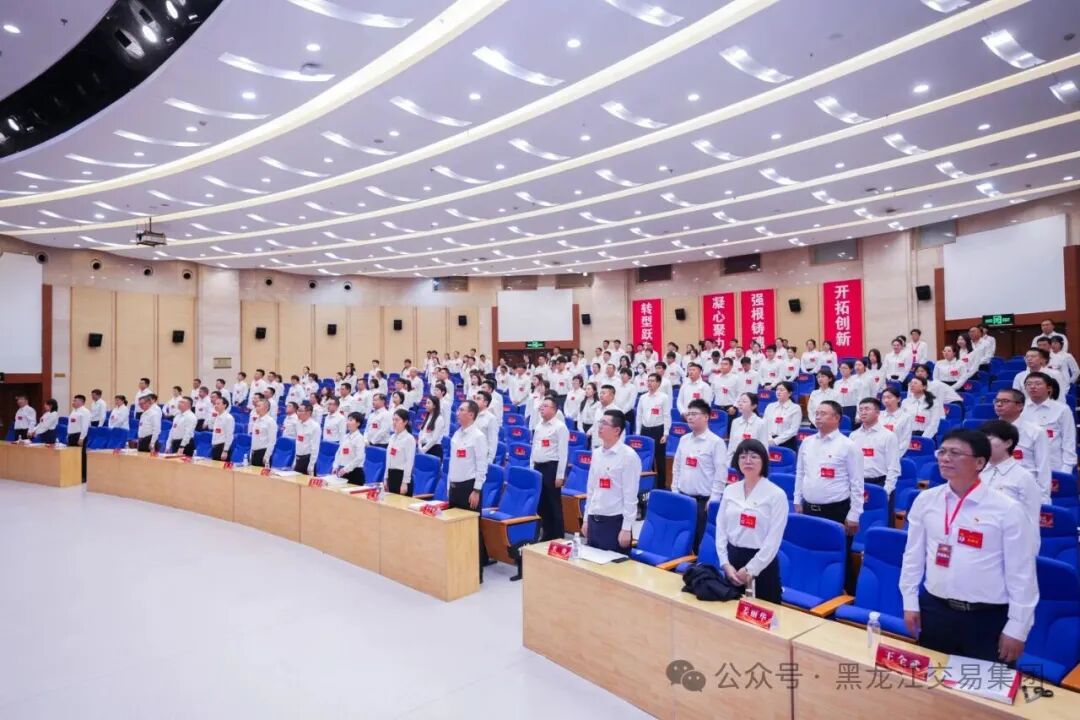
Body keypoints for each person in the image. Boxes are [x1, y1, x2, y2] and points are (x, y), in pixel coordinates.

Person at [900, 430, 1038, 664]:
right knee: (933, 682)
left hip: (986, 617)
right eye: (942, 452)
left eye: (955, 453)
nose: (945, 458)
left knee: (981, 685)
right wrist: (910, 601)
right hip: (935, 609)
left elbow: (1022, 574)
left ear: (980, 462)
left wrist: (1018, 627)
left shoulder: (1007, 509)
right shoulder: (926, 500)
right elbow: (913, 556)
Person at [716, 439, 789, 604]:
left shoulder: (776, 495)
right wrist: (725, 563)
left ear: (764, 461)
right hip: (732, 562)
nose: (747, 461)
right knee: (728, 613)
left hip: (762, 564)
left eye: (754, 456)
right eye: (743, 457)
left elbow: (773, 540)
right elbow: (721, 528)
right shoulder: (730, 490)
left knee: (762, 615)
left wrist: (751, 569)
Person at [794, 400, 863, 536]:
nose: (818, 417)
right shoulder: (807, 442)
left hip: (836, 510)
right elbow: (800, 473)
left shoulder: (848, 446)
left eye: (823, 414)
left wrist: (854, 514)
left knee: (837, 548)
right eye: (817, 413)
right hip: (808, 508)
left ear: (836, 418)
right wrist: (797, 500)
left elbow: (857, 482)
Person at [672, 399, 728, 553]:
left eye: (694, 414)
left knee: (700, 542)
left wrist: (714, 498)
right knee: (682, 540)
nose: (690, 417)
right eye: (689, 413)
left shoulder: (716, 442)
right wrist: (675, 490)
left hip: (703, 502)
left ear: (706, 417)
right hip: (683, 497)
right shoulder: (684, 439)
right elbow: (677, 467)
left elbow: (721, 473)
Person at [582, 410, 641, 553]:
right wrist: (586, 519)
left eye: (604, 423)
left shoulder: (628, 456)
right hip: (594, 518)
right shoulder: (597, 453)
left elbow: (631, 496)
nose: (600, 426)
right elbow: (591, 489)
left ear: (616, 430)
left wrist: (626, 528)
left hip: (614, 522)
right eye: (600, 422)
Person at [447, 401, 490, 576]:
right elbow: (453, 462)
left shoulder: (478, 436)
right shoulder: (457, 434)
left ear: (471, 415)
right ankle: (460, 567)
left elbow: (482, 465)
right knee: (456, 530)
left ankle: (475, 573)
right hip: (455, 486)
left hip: (469, 488)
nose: (457, 412)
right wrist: (449, 485)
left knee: (471, 531)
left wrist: (477, 490)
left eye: (461, 410)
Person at [979, 420, 1042, 528]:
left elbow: (1031, 522)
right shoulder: (977, 472)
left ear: (1008, 443)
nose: (984, 444)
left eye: (989, 439)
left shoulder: (1024, 477)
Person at [993, 388, 1051, 501]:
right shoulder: (988, 430)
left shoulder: (1035, 432)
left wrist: (1044, 499)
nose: (999, 404)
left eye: (1005, 401)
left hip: (1024, 491)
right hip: (995, 490)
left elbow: (1043, 468)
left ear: (1019, 406)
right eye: (997, 401)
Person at [850, 398, 901, 514]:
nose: (863, 412)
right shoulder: (853, 436)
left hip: (880, 484)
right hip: (858, 485)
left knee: (881, 520)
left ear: (878, 412)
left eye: (867, 409)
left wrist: (886, 491)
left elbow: (894, 467)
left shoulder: (888, 436)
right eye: (861, 409)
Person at [1020, 372, 1076, 476]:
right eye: (1028, 384)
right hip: (1025, 466)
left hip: (1054, 465)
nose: (1032, 387)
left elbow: (1069, 440)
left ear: (1049, 388)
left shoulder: (1062, 409)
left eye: (1038, 384)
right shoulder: (1019, 408)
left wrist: (1067, 468)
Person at [531, 397, 570, 541]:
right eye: (541, 406)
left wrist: (560, 475)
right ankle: (547, 534)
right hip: (538, 467)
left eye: (545, 406)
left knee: (553, 503)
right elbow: (534, 447)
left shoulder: (560, 427)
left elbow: (563, 453)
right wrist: (531, 468)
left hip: (551, 467)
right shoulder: (539, 425)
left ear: (554, 409)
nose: (542, 408)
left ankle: (558, 536)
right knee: (542, 503)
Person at [635, 373, 671, 489]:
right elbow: (639, 416)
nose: (649, 383)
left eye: (652, 381)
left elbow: (666, 416)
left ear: (658, 383)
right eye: (648, 381)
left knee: (659, 459)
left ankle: (661, 486)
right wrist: (638, 433)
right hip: (645, 430)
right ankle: (647, 486)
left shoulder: (663, 397)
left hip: (658, 430)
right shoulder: (643, 397)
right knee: (646, 459)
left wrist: (666, 433)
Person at [727, 393, 769, 465]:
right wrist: (728, 464)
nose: (740, 404)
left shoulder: (761, 423)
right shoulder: (735, 422)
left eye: (744, 401)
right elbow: (731, 446)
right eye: (739, 401)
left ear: (754, 406)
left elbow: (764, 447)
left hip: (753, 461)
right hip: (736, 460)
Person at [384, 409, 416, 495]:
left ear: (405, 422)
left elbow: (409, 463)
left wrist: (405, 482)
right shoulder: (392, 437)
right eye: (393, 420)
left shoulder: (409, 439)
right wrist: (386, 478)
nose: (394, 422)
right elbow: (388, 460)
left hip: (401, 477)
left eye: (397, 420)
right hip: (391, 476)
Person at [763, 381, 801, 451]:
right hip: (769, 441)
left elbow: (793, 430)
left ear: (789, 393)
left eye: (781, 390)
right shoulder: (770, 406)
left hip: (787, 442)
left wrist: (775, 441)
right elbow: (764, 425)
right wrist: (769, 439)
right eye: (777, 389)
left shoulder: (795, 408)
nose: (778, 392)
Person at [333, 412, 367, 485]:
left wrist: (346, 469)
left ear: (358, 423)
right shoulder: (345, 437)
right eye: (348, 420)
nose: (348, 422)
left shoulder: (359, 438)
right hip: (343, 471)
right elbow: (338, 453)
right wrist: (335, 466)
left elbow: (360, 457)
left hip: (354, 473)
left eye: (351, 420)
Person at [291, 402, 320, 475]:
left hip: (308, 459)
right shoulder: (298, 424)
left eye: (301, 411)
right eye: (298, 410)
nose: (298, 413)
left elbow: (315, 448)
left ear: (308, 412)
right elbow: (298, 443)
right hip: (298, 458)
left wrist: (311, 465)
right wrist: (295, 461)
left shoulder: (315, 426)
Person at [248, 399, 278, 467]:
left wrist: (267, 456)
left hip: (263, 453)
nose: (256, 408)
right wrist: (251, 454)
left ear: (266, 408)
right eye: (256, 406)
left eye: (259, 406)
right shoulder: (256, 420)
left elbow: (272, 441)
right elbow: (254, 439)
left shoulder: (270, 422)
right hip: (254, 452)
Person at [209, 395, 234, 462]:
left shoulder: (228, 418)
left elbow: (229, 435)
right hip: (215, 446)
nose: (216, 405)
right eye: (215, 404)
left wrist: (225, 450)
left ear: (224, 405)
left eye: (218, 404)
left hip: (222, 447)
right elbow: (211, 428)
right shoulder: (217, 416)